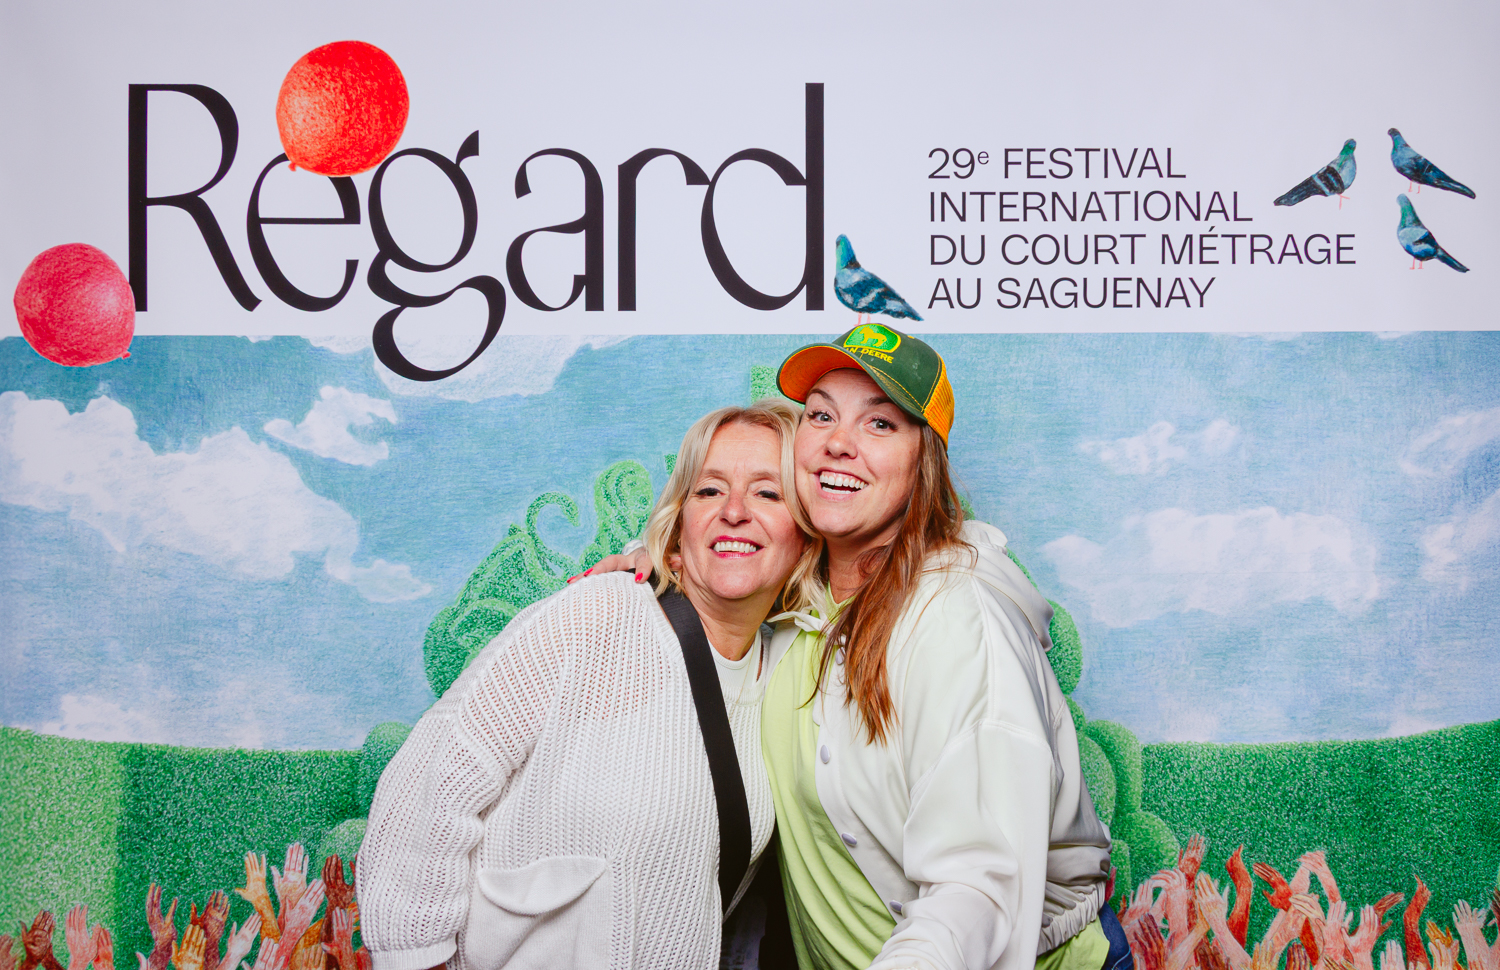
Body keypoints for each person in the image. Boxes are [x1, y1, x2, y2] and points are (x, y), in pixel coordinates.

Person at [595, 324, 1125, 970]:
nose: (839, 443)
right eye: (821, 415)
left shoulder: (959, 622)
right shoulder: (801, 596)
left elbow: (979, 890)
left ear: (923, 460)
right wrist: (657, 562)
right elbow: (729, 564)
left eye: (879, 424)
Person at [356, 401, 817, 970]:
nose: (734, 511)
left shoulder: (788, 669)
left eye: (768, 493)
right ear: (680, 525)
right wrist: (414, 959)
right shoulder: (602, 615)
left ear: (807, 535)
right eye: (709, 490)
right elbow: (434, 776)